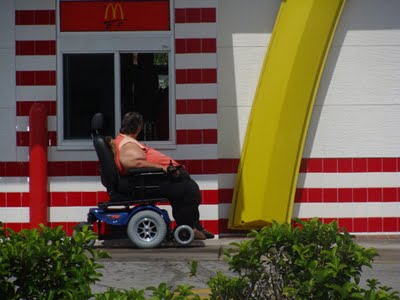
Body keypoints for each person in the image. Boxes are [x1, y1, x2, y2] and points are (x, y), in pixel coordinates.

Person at [113, 112, 214, 240]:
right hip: (146, 182)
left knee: (188, 187)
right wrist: (163, 168)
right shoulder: (127, 144)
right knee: (188, 190)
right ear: (138, 127)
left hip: (152, 178)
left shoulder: (125, 140)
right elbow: (132, 163)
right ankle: (188, 228)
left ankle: (194, 226)